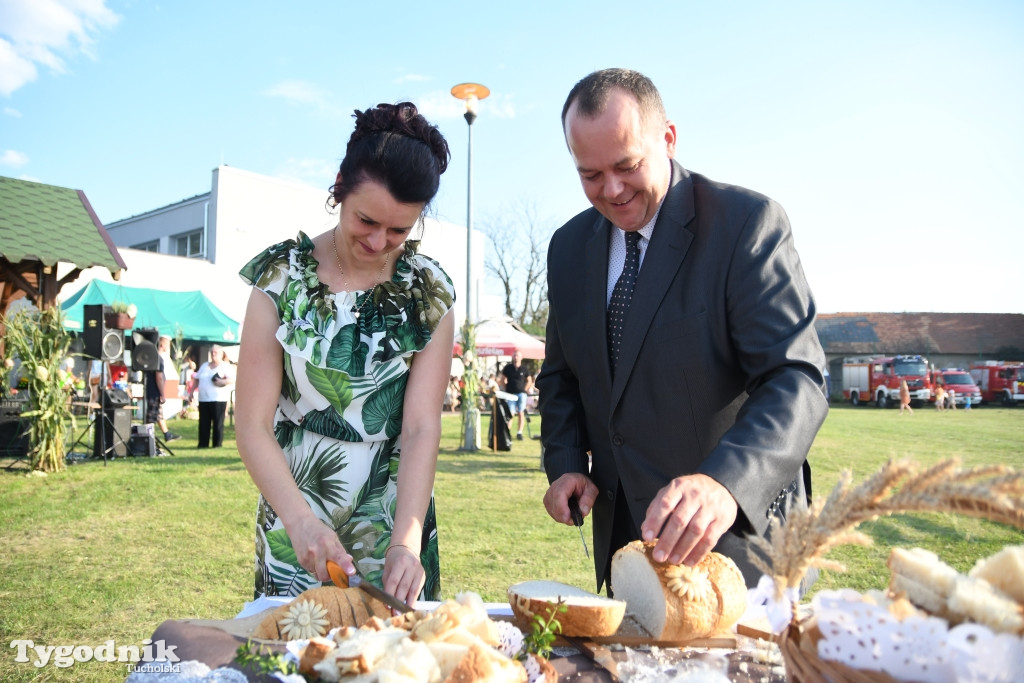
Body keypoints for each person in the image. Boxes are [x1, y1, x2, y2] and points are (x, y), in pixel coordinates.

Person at [537, 69, 829, 593]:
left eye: (627, 166)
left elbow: (796, 378)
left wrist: (725, 483)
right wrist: (563, 462)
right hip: (629, 551)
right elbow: (561, 376)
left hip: (743, 547)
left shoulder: (746, 225)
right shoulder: (567, 248)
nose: (612, 190)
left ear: (667, 139)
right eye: (590, 175)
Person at [235, 102, 455, 605]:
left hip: (395, 510)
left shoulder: (430, 292)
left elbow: (421, 427)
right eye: (366, 220)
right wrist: (299, 521)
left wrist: (406, 542)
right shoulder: (280, 280)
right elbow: (250, 424)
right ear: (339, 187)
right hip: (296, 507)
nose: (379, 243)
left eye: (399, 231)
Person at [191, 345, 234, 447]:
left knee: (218, 423)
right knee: (204, 423)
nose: (213, 355)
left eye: (215, 353)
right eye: (212, 353)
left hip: (218, 399)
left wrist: (222, 381)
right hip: (204, 399)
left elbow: (232, 379)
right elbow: (197, 379)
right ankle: (203, 443)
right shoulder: (205, 366)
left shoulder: (225, 366)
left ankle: (217, 444)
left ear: (221, 354)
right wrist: (191, 392)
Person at [144, 344, 182, 442]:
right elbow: (159, 378)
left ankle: (167, 434)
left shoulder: (149, 358)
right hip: (155, 392)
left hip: (149, 390)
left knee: (158, 414)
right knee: (151, 416)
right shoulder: (158, 359)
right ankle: (147, 437)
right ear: (162, 345)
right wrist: (162, 393)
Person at [500, 351, 531, 440]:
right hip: (510, 394)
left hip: (521, 394)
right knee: (510, 413)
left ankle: (519, 432)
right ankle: (507, 432)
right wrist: (506, 389)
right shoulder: (508, 368)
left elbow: (529, 380)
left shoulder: (524, 369)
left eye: (517, 355)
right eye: (514, 355)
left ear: (521, 357)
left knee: (521, 412)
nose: (515, 357)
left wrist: (525, 389)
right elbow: (502, 379)